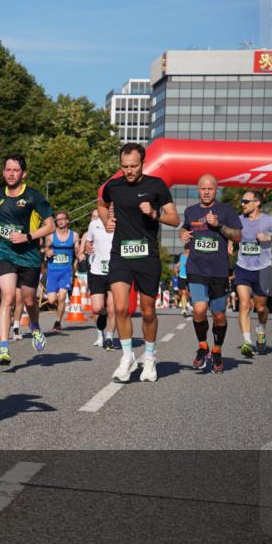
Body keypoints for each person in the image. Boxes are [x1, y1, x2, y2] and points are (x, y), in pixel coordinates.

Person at [98, 142, 179, 383]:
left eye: (133, 166)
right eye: (125, 167)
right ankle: (127, 358)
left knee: (147, 311)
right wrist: (106, 221)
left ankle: (151, 358)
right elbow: (101, 204)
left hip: (147, 257)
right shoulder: (113, 186)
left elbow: (174, 219)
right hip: (120, 254)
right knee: (121, 308)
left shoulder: (157, 186)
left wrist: (155, 214)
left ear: (143, 163)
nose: (129, 171)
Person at [0, 155, 55, 366]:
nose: (10, 173)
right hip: (5, 252)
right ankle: (4, 349)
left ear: (23, 174)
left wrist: (27, 236)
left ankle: (34, 326)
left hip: (29, 255)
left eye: (15, 170)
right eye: (7, 169)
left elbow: (50, 225)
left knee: (28, 301)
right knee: (7, 297)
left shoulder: (33, 196)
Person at [179, 174, 242, 374]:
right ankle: (203, 346)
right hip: (196, 267)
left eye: (210, 188)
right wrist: (182, 233)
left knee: (219, 315)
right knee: (199, 309)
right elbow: (185, 228)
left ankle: (216, 350)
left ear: (216, 190)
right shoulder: (190, 211)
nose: (206, 192)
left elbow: (238, 236)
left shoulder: (226, 210)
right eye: (203, 188)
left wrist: (219, 226)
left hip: (218, 270)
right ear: (198, 189)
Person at [233, 189, 272, 356]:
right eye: (242, 201)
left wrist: (269, 238)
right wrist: (230, 242)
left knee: (261, 307)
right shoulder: (238, 220)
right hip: (243, 267)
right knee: (244, 304)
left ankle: (261, 329)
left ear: (257, 203)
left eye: (246, 201)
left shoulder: (269, 221)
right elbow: (231, 234)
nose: (242, 204)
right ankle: (247, 342)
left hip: (263, 268)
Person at [83, 207, 118, 349]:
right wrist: (87, 247)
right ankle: (102, 321)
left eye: (113, 208)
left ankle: (109, 337)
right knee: (98, 308)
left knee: (112, 308)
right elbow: (88, 242)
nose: (110, 210)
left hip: (116, 270)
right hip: (97, 270)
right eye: (108, 207)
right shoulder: (94, 224)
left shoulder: (121, 224)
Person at [43, 211, 82, 333]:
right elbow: (46, 248)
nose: (60, 221)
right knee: (51, 300)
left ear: (67, 220)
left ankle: (58, 322)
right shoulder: (51, 236)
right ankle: (56, 308)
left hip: (66, 271)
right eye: (57, 219)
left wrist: (79, 255)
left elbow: (77, 250)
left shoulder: (74, 235)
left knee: (63, 296)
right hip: (53, 271)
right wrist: (47, 252)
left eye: (62, 219)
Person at [177, 244, 191, 317]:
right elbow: (180, 263)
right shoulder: (181, 255)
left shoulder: (192, 256)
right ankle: (184, 309)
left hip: (190, 276)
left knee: (189, 293)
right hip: (182, 275)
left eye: (188, 248)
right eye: (186, 248)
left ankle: (188, 304)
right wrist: (177, 267)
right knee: (183, 292)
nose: (187, 250)